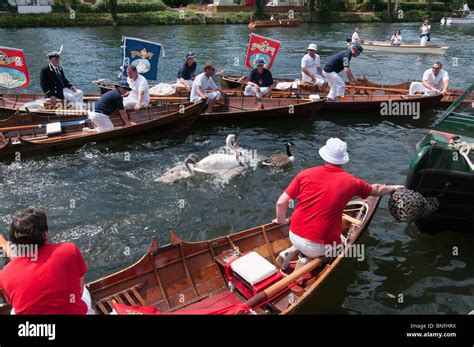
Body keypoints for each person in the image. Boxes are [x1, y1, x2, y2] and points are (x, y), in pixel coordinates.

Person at [273, 138, 403, 270]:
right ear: (343, 158)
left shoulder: (304, 174)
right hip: (319, 246)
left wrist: (282, 221)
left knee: (305, 241)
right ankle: (307, 261)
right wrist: (394, 188)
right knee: (340, 246)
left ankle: (289, 252)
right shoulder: (352, 182)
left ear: (324, 154)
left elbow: (281, 203)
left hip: (293, 235)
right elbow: (377, 190)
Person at [0, 208, 94, 314]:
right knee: (84, 291)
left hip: (38, 331)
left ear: (16, 242)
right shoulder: (69, 250)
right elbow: (79, 291)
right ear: (45, 235)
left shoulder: (4, 276)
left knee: (13, 311)